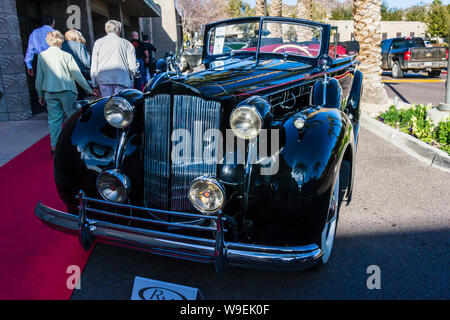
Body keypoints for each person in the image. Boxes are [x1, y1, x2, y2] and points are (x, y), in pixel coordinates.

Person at [35, 30, 95, 154]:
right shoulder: (66, 55)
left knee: (54, 119)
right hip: (67, 90)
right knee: (71, 118)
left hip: (49, 91)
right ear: (61, 41)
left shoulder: (41, 56)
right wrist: (89, 89)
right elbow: (77, 75)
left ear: (48, 41)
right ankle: (72, 143)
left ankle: (55, 146)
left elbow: (39, 78)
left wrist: (39, 94)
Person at [91, 20, 139, 97]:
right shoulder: (127, 43)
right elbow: (132, 66)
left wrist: (94, 84)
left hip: (103, 79)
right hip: (122, 79)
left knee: (106, 104)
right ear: (119, 30)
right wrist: (134, 75)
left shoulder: (98, 43)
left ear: (106, 30)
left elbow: (94, 64)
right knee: (120, 105)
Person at [24, 15, 55, 113]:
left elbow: (30, 50)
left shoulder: (34, 33)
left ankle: (47, 105)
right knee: (56, 81)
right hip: (53, 57)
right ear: (53, 23)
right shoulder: (54, 33)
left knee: (42, 83)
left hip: (39, 59)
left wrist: (29, 65)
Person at [61, 29, 91, 99]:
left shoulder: (62, 45)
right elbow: (86, 62)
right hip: (79, 73)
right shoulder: (79, 45)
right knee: (80, 97)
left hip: (66, 74)